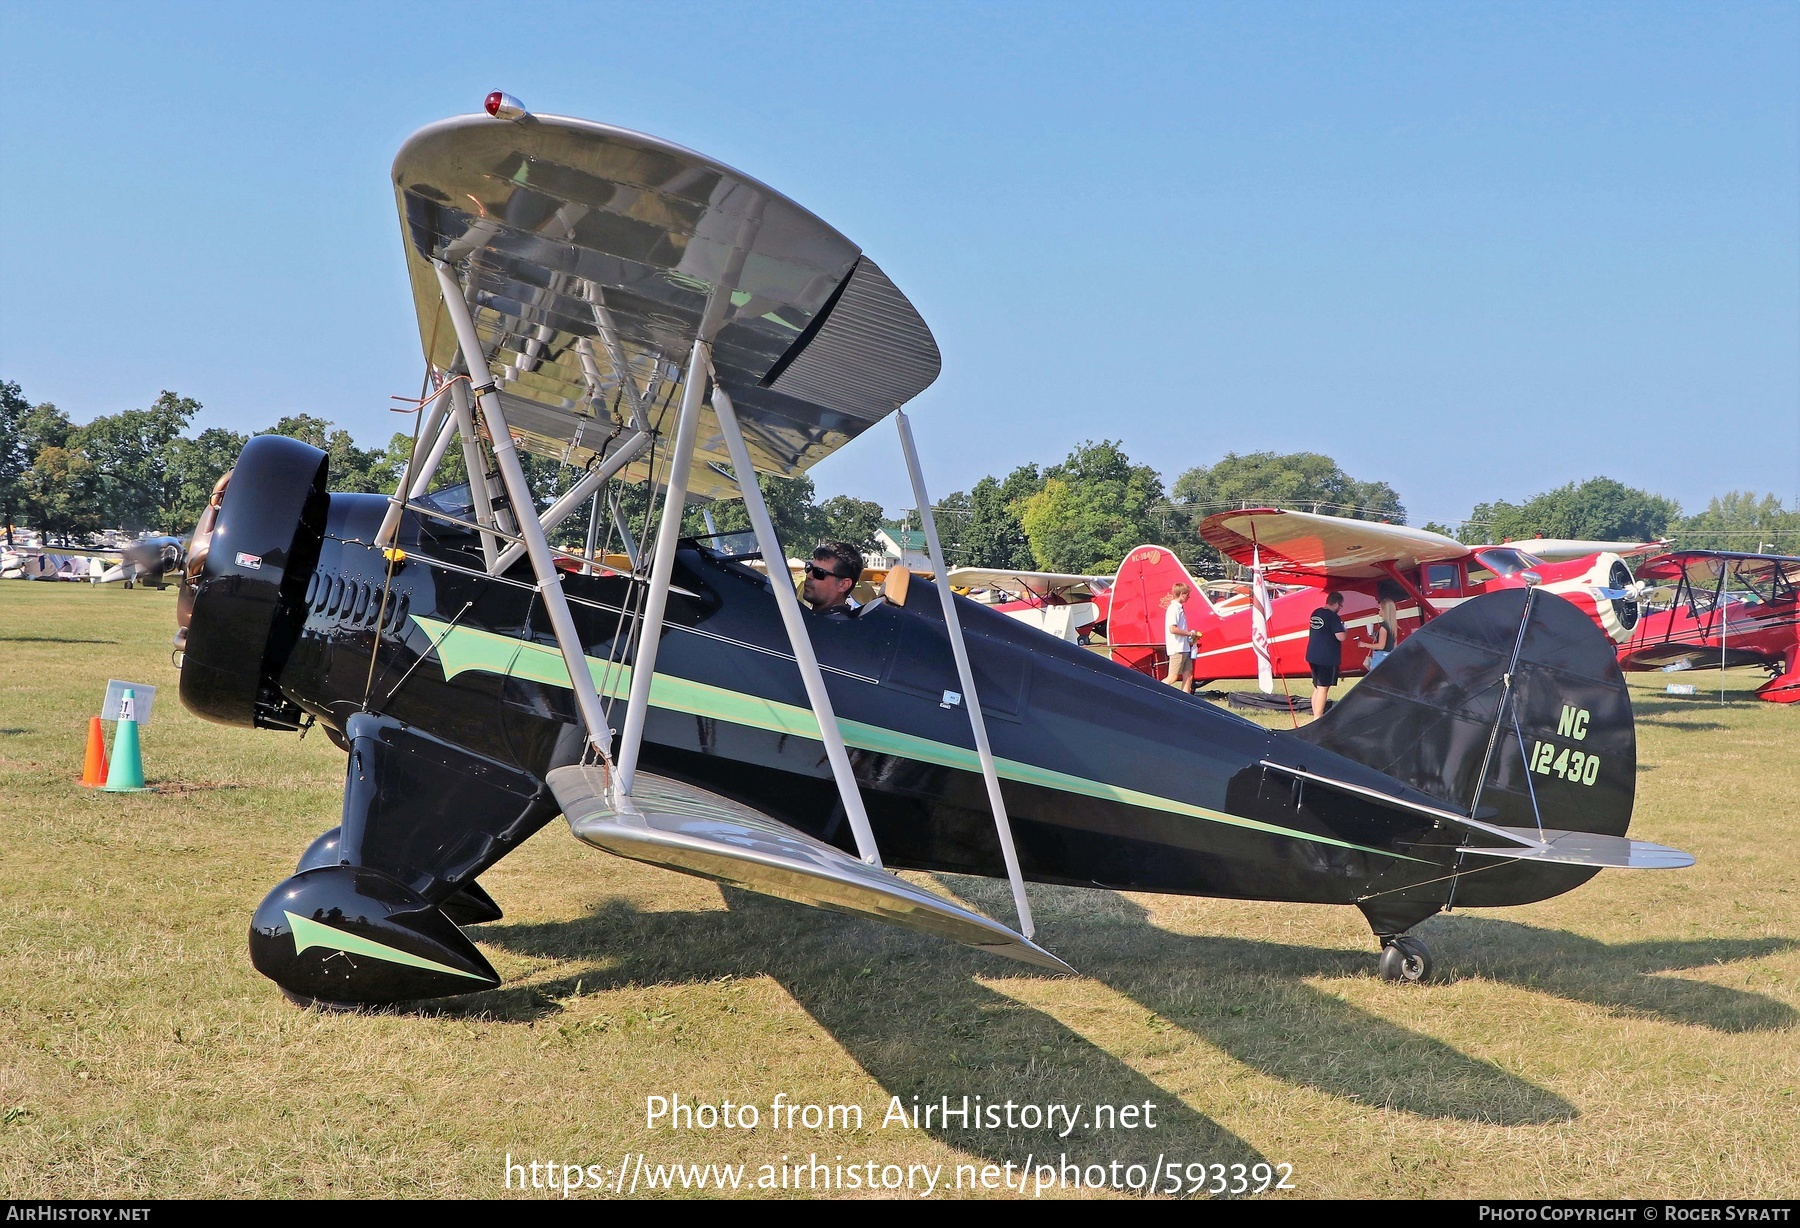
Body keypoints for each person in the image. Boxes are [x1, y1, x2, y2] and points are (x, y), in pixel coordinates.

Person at [1306, 591, 1347, 719]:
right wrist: (1345, 630)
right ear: (1335, 603)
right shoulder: (1333, 617)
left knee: (1317, 687)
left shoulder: (1316, 612)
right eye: (1340, 606)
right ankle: (1317, 719)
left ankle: (1315, 714)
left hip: (1313, 655)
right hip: (1327, 657)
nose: (1340, 609)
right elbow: (1340, 637)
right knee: (1323, 688)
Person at [801, 539, 864, 618]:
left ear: (844, 585)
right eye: (809, 567)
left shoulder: (837, 628)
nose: (809, 576)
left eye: (819, 572)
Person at [1163, 581, 1199, 694]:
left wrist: (1190, 638)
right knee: (1172, 677)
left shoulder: (1180, 608)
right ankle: (1154, 692)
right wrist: (1189, 634)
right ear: (1182, 594)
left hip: (1184, 648)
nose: (1189, 596)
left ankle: (1185, 700)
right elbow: (1173, 629)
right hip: (1177, 649)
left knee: (1188, 675)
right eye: (1187, 594)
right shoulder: (1173, 609)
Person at [1364, 597, 1396, 671]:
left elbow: (1381, 646)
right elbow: (1389, 642)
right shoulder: (1392, 626)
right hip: (1388, 656)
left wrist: (1365, 645)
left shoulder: (1383, 627)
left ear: (1384, 610)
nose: (1379, 610)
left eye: (1380, 608)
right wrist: (1374, 637)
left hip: (1380, 657)